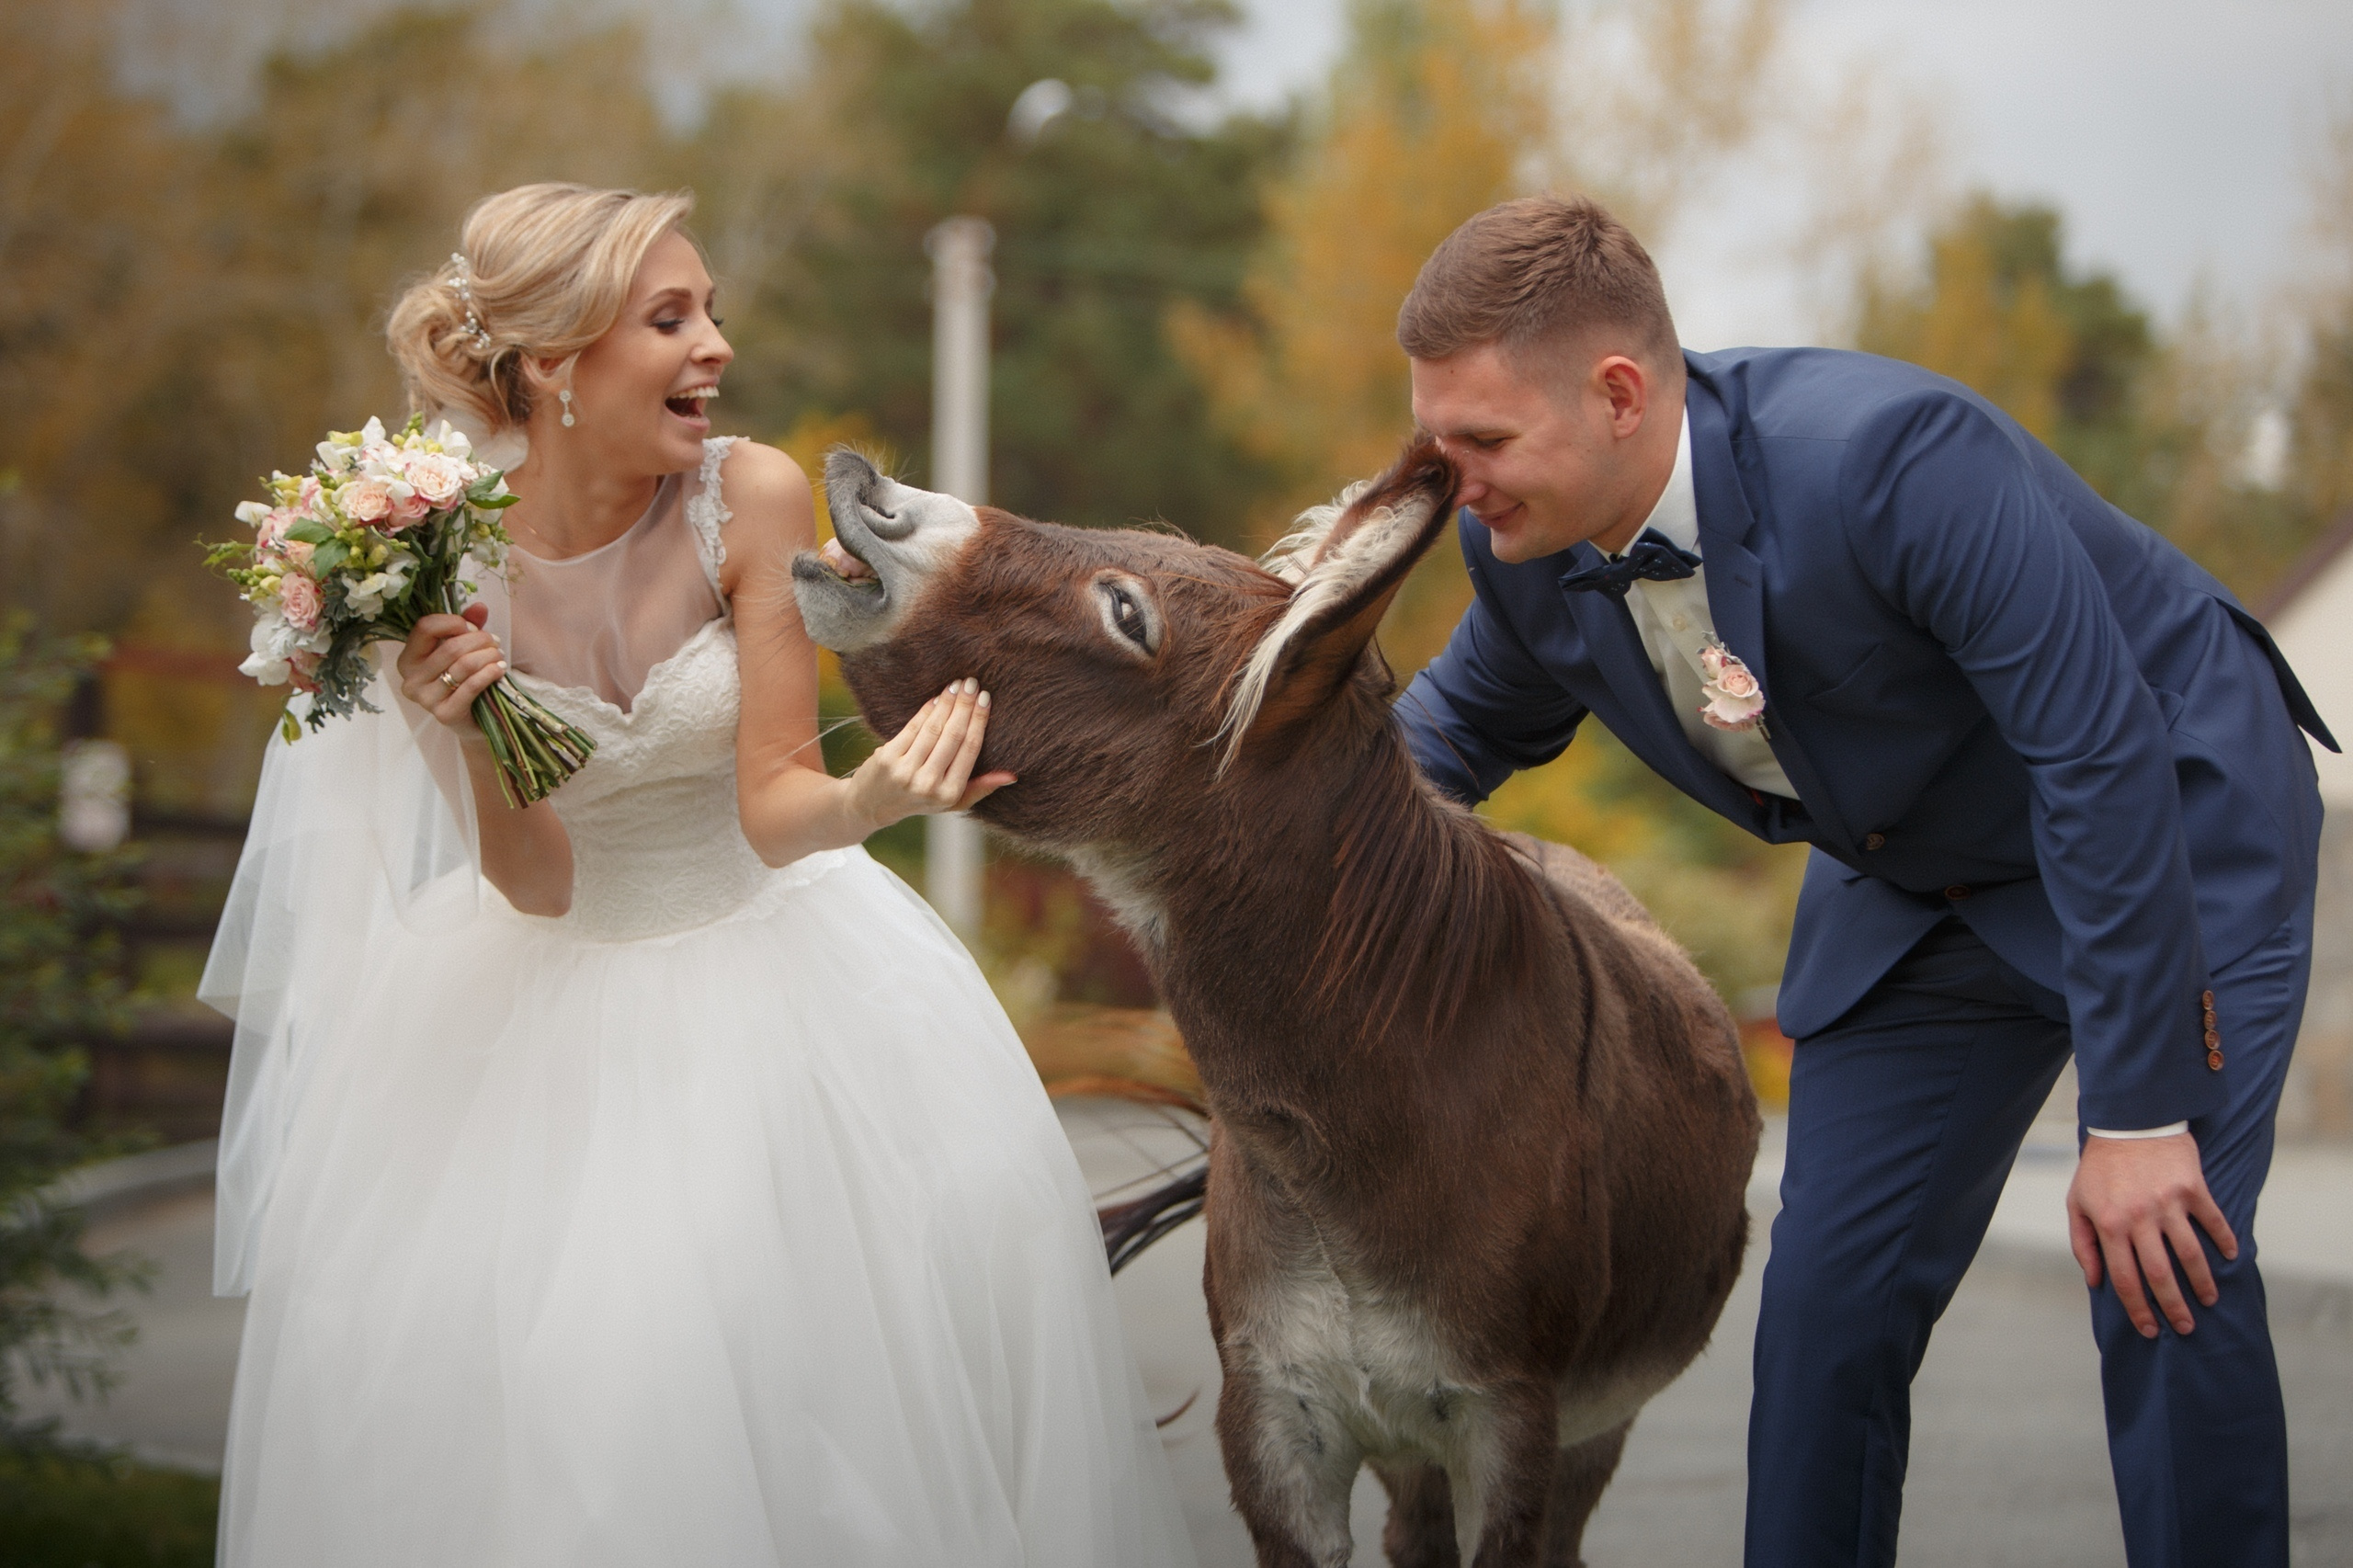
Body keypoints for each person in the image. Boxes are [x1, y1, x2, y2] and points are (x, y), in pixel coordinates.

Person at [199, 182, 1196, 1568]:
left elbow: (779, 796)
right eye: (671, 317)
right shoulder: (432, 566)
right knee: (596, 1407)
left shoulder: (751, 495)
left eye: (712, 310)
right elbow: (535, 884)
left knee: (824, 1381)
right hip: (541, 1016)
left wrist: (873, 794)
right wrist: (460, 724)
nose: (715, 346)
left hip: (781, 971)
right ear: (554, 362)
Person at [1390, 196, 2327, 1568]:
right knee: (1828, 1308)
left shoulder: (1892, 458)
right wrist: (1182, 787)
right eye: (1434, 440)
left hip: (2165, 812)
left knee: (2164, 1269)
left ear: (1617, 393)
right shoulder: (1521, 549)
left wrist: (2133, 1119)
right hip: (1918, 880)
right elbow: (1422, 754)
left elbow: (2096, 744)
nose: (1446, 477)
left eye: (1479, 440)